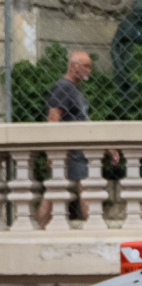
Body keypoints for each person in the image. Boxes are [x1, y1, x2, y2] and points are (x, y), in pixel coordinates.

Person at [43, 51, 119, 227]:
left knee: (54, 192)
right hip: (70, 151)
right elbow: (53, 117)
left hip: (76, 150)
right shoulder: (63, 87)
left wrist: (107, 146)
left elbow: (84, 122)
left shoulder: (74, 90)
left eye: (90, 66)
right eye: (86, 66)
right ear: (73, 66)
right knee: (85, 189)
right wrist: (51, 151)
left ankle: (40, 228)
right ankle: (95, 228)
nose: (89, 70)